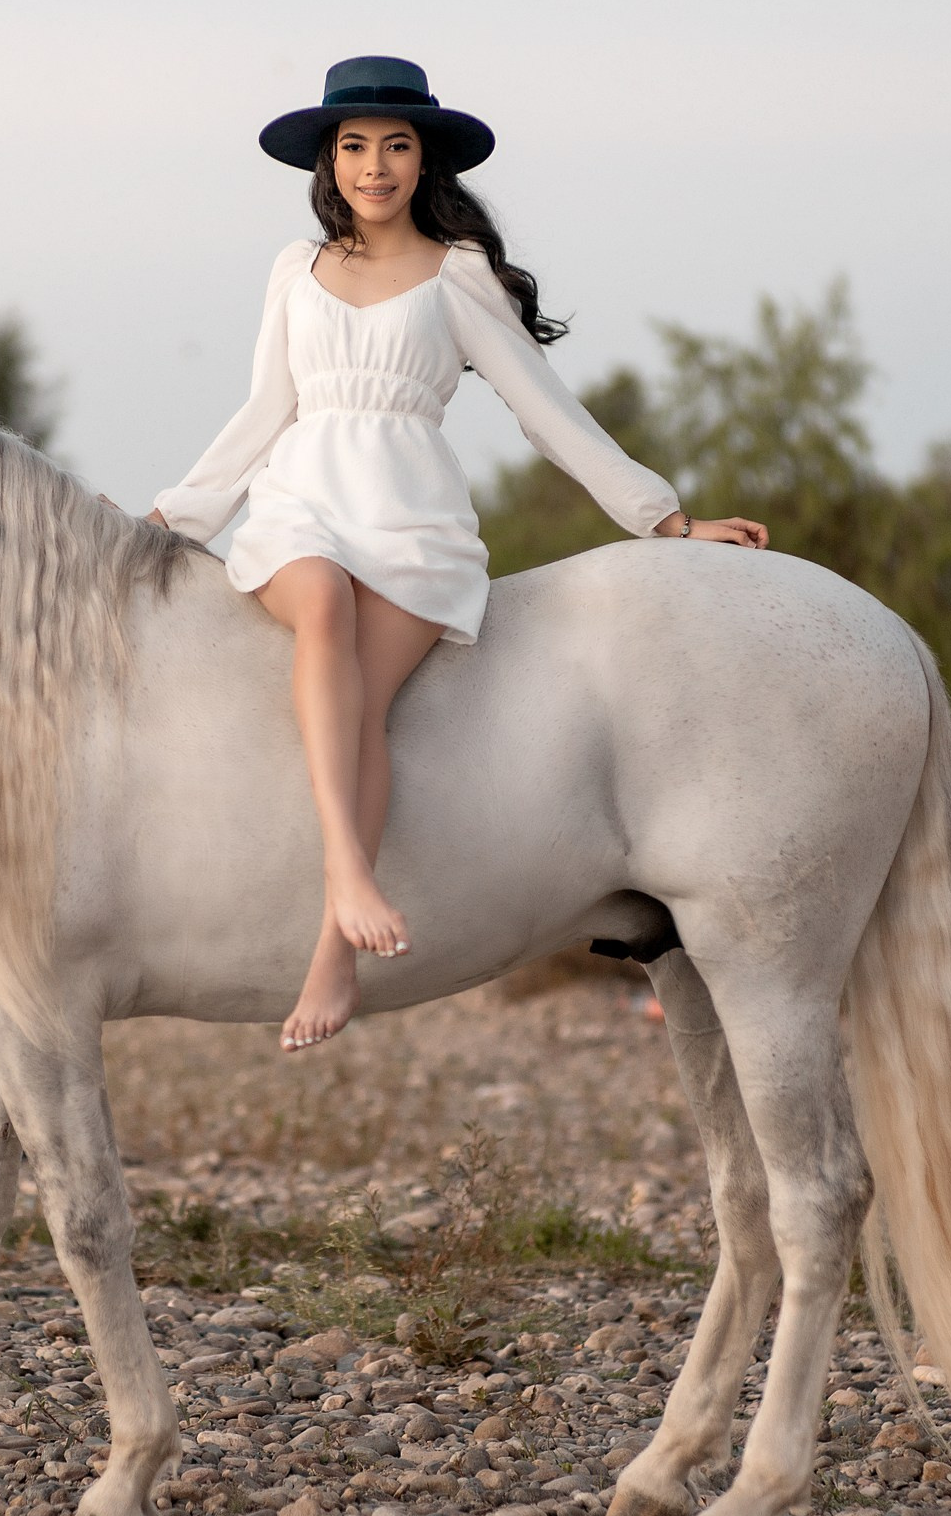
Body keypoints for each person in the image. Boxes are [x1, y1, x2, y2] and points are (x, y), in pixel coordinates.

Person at [148, 56, 768, 1050]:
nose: (375, 166)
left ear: (423, 161)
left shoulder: (459, 274)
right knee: (321, 607)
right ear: (329, 162)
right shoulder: (294, 269)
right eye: (355, 146)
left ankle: (333, 956)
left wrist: (662, 520)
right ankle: (351, 876)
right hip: (300, 507)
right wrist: (175, 519)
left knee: (368, 707)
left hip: (412, 524)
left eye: (396, 146)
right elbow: (264, 410)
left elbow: (547, 413)